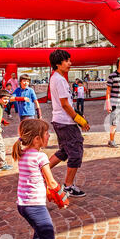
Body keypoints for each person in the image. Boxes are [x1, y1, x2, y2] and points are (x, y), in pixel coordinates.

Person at [12, 119, 67, 239]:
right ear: (37, 139)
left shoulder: (22, 154)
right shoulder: (40, 157)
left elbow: (35, 177)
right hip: (35, 206)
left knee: (39, 231)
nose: (49, 136)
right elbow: (51, 182)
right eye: (46, 133)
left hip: (22, 205)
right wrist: (63, 198)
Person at [48, 49, 90, 197]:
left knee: (64, 151)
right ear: (58, 64)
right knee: (76, 153)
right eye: (67, 61)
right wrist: (79, 120)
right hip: (65, 123)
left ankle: (40, 172)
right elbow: (65, 104)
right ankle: (68, 186)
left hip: (61, 120)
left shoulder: (57, 78)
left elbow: (67, 104)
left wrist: (77, 114)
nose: (70, 64)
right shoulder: (59, 79)